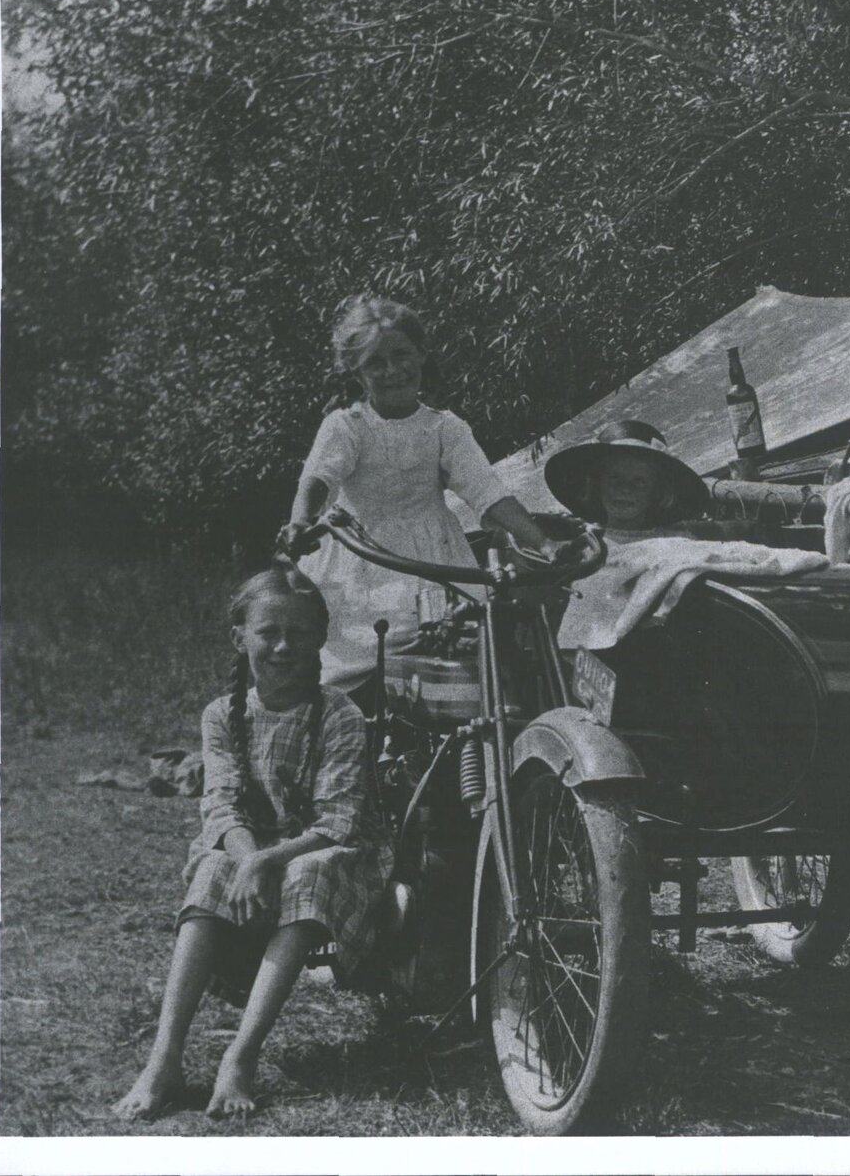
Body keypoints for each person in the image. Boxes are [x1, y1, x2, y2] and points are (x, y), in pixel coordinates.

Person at [113, 568, 390, 1121]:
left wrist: (265, 861)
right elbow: (221, 804)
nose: (284, 646)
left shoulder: (339, 713)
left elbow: (336, 820)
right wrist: (248, 860)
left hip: (327, 848)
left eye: (300, 633)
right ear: (240, 637)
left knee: (309, 873)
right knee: (213, 866)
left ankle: (241, 1055)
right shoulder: (222, 714)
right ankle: (165, 1057)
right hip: (254, 846)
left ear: (320, 640)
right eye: (269, 632)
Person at [281, 295, 558, 692]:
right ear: (355, 372)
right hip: (363, 560)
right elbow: (318, 479)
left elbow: (488, 493)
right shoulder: (348, 427)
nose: (393, 370)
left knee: (462, 653)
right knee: (357, 666)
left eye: (402, 355)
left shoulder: (445, 428)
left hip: (433, 559)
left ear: (422, 354)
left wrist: (544, 544)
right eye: (375, 362)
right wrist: (300, 523)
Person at [542, 416, 714, 536]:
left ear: (656, 491)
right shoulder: (584, 544)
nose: (625, 489)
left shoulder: (674, 540)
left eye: (639, 482)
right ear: (598, 482)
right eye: (615, 478)